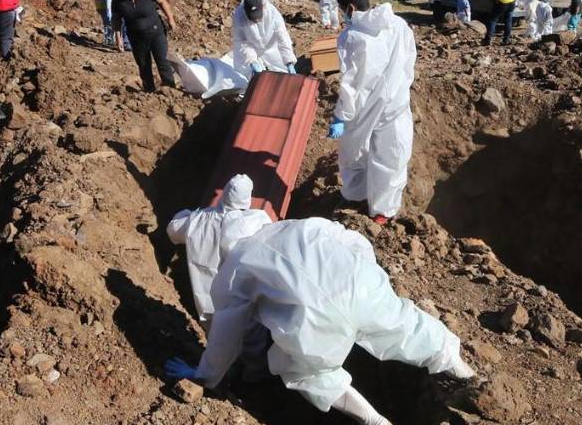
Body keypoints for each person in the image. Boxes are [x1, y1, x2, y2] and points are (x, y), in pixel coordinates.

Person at [165, 217, 476, 425]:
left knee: (304, 371)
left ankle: (375, 421)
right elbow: (352, 239)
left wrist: (205, 376)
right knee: (407, 324)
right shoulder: (298, 226)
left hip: (314, 320)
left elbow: (226, 334)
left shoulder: (235, 267)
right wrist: (362, 276)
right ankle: (463, 371)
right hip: (360, 283)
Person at [329, 0, 416, 224]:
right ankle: (383, 211)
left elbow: (352, 84)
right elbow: (409, 60)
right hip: (395, 104)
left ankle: (356, 197)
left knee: (354, 153)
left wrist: (341, 115)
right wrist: (400, 86)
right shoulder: (398, 24)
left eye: (342, 11)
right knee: (392, 156)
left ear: (350, 8)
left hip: (365, 107)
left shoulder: (351, 37)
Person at [166, 174, 272, 330]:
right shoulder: (255, 222)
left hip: (207, 307)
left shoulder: (198, 219)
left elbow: (173, 229)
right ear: (247, 198)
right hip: (243, 307)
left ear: (224, 192)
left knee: (215, 337)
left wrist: (189, 213)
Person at [112, 0, 178, 92]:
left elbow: (162, 2)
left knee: (162, 60)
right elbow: (116, 20)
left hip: (156, 32)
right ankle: (149, 90)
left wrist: (170, 19)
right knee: (143, 65)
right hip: (136, 37)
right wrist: (118, 38)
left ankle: (170, 88)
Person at [232, 0, 297, 78]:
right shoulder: (239, 16)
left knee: (283, 72)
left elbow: (283, 38)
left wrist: (289, 61)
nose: (256, 20)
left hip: (270, 46)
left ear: (263, 7)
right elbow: (242, 42)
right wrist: (252, 61)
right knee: (247, 76)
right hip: (251, 46)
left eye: (258, 16)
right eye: (253, 18)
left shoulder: (273, 14)